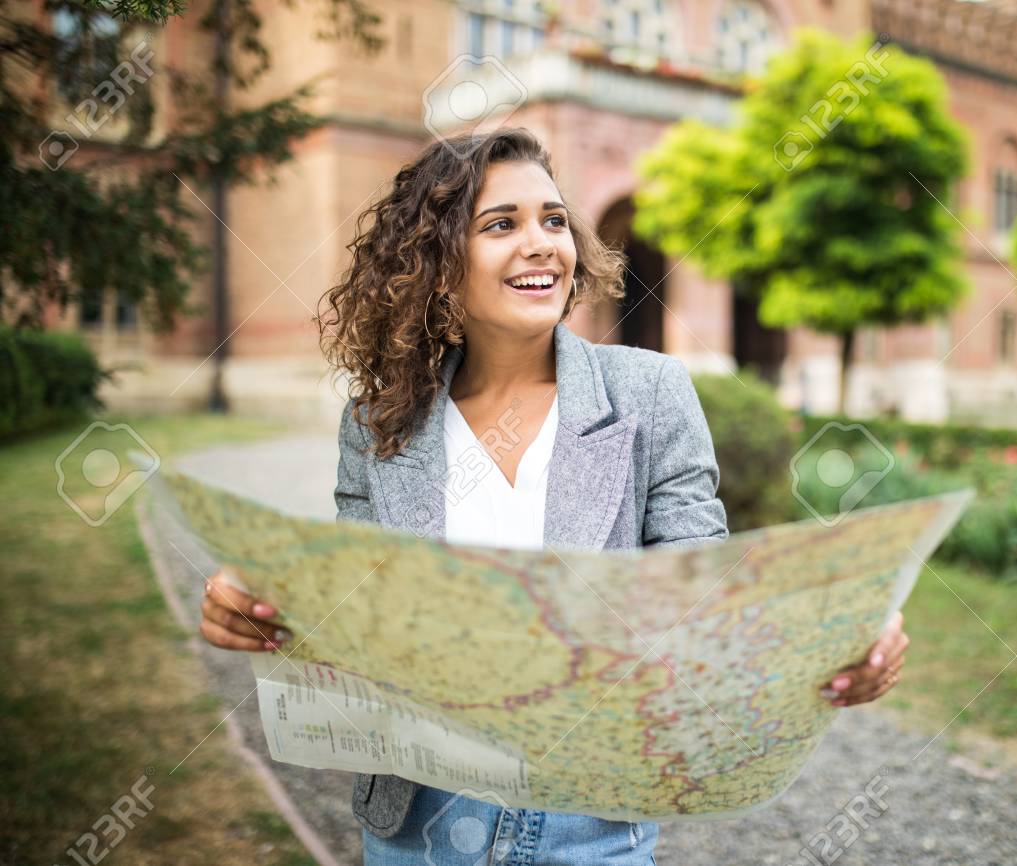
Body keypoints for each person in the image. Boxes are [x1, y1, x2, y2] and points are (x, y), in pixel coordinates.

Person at [199, 126, 909, 865]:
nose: (542, 242)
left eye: (555, 219)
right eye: (500, 224)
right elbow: (356, 602)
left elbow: (704, 592)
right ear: (437, 264)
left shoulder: (652, 392)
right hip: (418, 820)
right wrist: (258, 603)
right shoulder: (377, 421)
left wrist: (836, 639)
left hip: (590, 821)